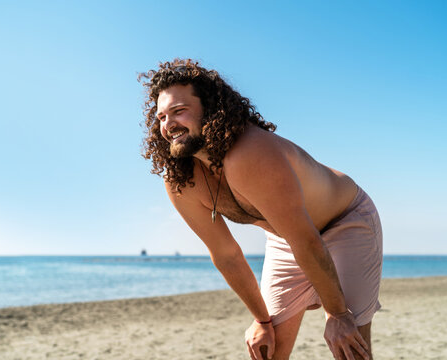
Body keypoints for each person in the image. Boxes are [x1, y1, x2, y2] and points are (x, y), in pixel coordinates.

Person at [139, 59, 383, 360]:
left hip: (346, 221)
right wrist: (262, 320)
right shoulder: (181, 181)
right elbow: (226, 255)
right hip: (287, 238)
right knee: (267, 350)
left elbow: (306, 239)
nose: (168, 125)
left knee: (350, 346)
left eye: (179, 111)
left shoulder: (249, 153)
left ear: (210, 109)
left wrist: (337, 313)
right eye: (162, 117)